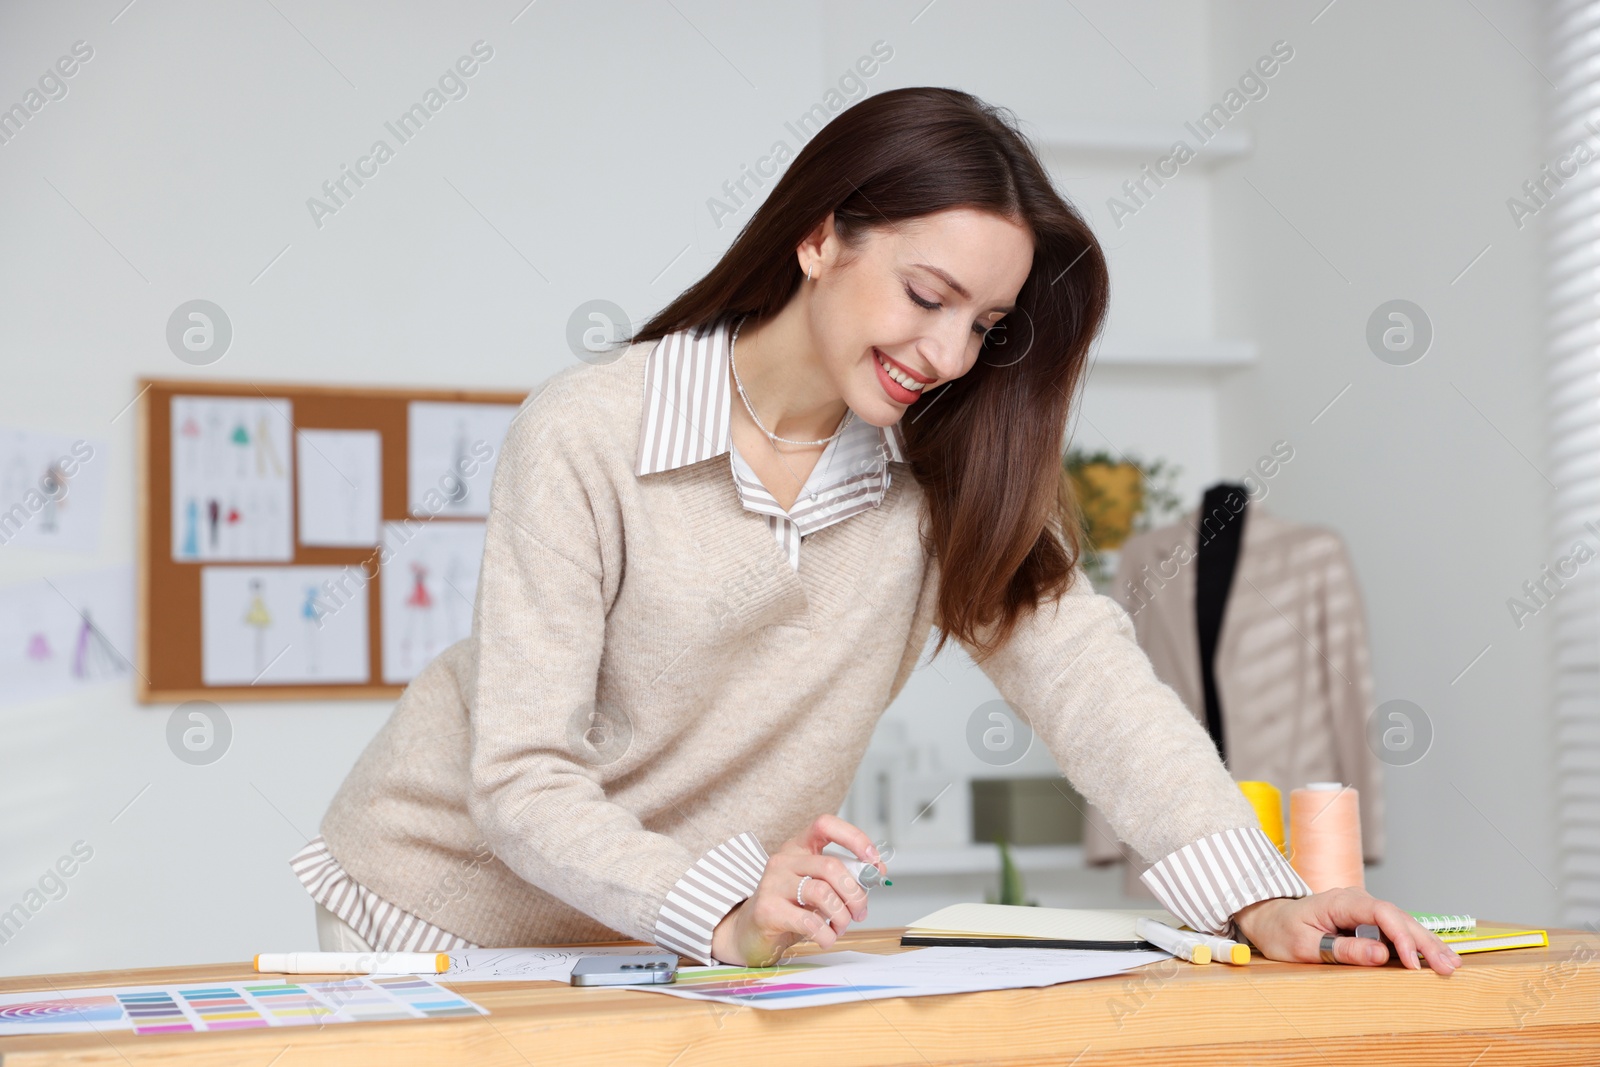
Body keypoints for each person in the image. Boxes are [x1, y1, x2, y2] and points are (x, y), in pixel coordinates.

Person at [290, 86, 1460, 976]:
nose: (949, 355)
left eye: (986, 324)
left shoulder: (946, 469)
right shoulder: (593, 428)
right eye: (927, 295)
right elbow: (521, 776)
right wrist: (728, 902)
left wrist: (1259, 897)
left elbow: (1096, 686)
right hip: (443, 911)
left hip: (693, 941)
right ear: (819, 237)